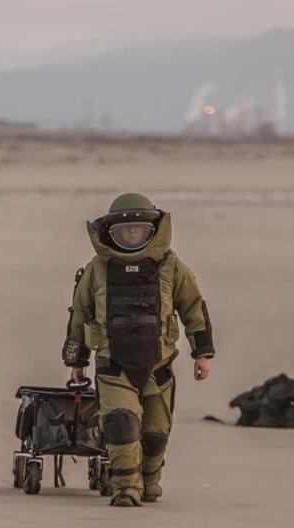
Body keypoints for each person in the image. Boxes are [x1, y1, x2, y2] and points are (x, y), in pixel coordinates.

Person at [61, 193, 215, 507]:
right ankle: (125, 488)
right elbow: (79, 314)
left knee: (156, 432)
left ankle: (148, 483)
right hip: (112, 363)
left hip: (158, 366)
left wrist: (202, 354)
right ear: (110, 233)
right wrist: (77, 361)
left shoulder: (172, 266)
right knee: (120, 422)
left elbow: (194, 309)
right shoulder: (97, 269)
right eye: (125, 232)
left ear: (152, 230)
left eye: (139, 231)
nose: (132, 236)